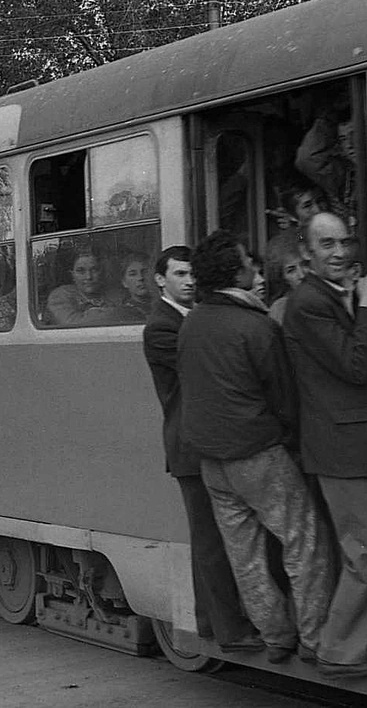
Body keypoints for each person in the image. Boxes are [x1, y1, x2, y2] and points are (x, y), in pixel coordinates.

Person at [178, 229, 332, 664]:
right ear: (235, 271)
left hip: (213, 462)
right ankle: (314, 639)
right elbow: (284, 398)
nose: (255, 266)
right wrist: (291, 443)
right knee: (305, 543)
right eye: (248, 260)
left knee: (245, 555)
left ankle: (276, 636)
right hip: (257, 455)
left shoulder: (193, 322)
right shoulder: (257, 325)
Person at [141, 245, 259, 653]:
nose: (189, 281)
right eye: (179, 274)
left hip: (204, 439)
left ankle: (220, 620)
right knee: (208, 541)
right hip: (190, 444)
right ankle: (224, 628)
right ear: (160, 280)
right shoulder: (161, 327)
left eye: (192, 274)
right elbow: (202, 371)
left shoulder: (194, 317)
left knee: (217, 537)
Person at [282, 211, 367, 678]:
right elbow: (356, 365)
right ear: (307, 251)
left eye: (345, 242)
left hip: (350, 442)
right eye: (327, 245)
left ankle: (346, 643)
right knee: (361, 554)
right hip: (341, 446)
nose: (340, 253)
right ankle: (338, 651)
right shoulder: (309, 302)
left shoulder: (325, 294)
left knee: (362, 551)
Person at [44, 248, 125, 326]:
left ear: (101, 272)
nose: (88, 277)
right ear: (72, 274)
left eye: (94, 270)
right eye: (80, 271)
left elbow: (130, 315)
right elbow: (72, 324)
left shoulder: (115, 294)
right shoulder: (60, 296)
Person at [265, 232, 309, 323]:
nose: (302, 275)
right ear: (283, 278)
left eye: (305, 264)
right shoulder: (280, 309)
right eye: (291, 270)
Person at [118, 252, 154, 321]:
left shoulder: (163, 307)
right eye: (133, 274)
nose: (140, 278)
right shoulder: (123, 312)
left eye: (145, 272)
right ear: (124, 282)